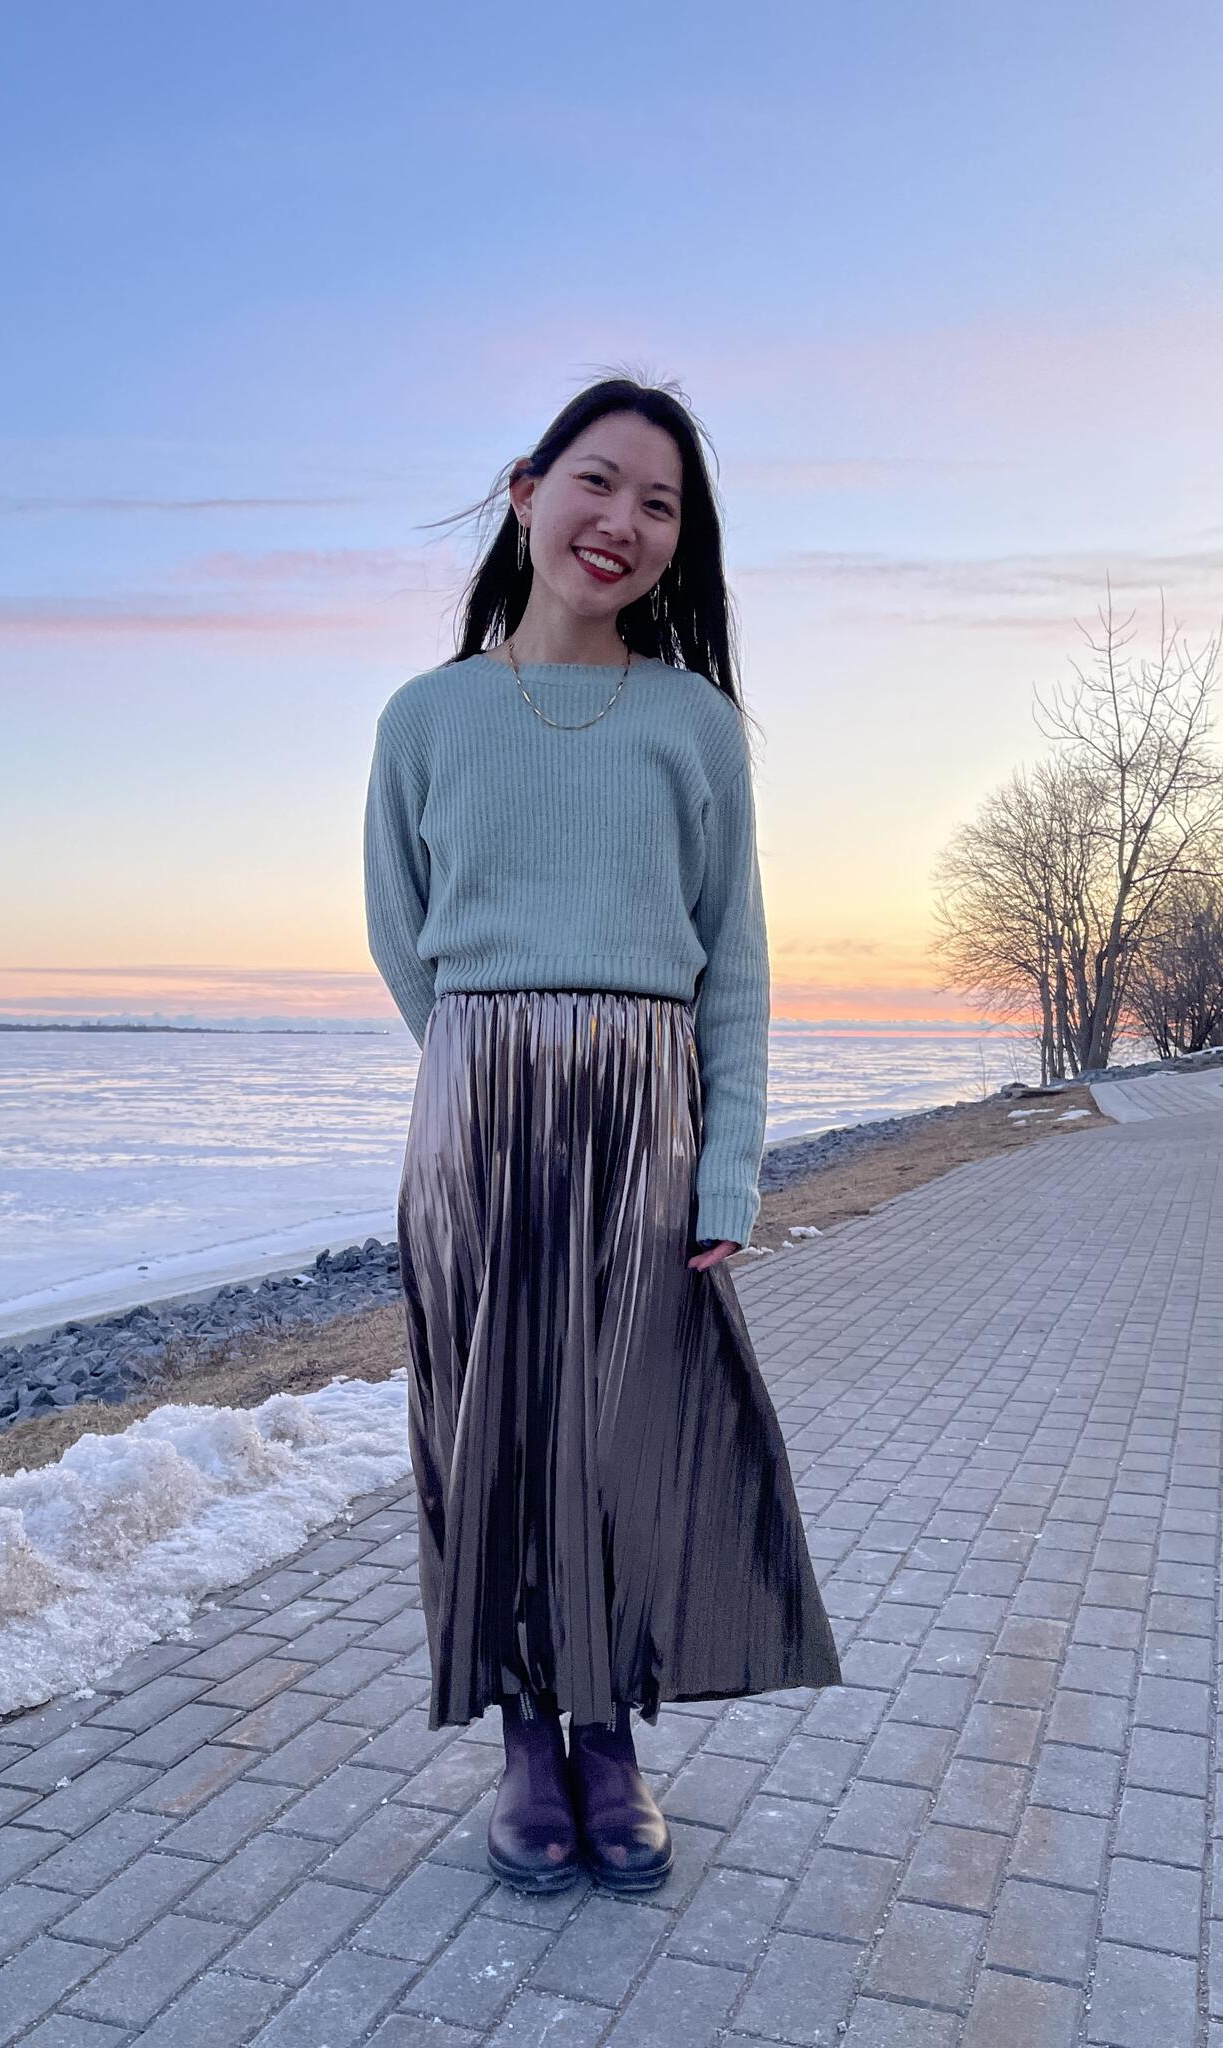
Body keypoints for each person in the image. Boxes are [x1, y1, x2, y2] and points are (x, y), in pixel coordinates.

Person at [362, 374, 840, 1898]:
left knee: (628, 1434)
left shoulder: (694, 725)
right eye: (598, 482)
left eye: (661, 504)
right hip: (479, 1110)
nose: (621, 522)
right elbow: (401, 935)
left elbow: (739, 960)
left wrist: (730, 1157)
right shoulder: (426, 716)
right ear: (525, 490)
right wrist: (484, 1075)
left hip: (646, 1113)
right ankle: (522, 1738)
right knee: (490, 1433)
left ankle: (609, 1733)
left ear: (680, 543)